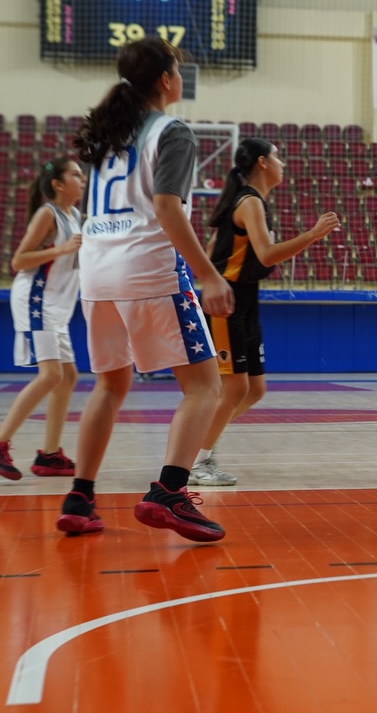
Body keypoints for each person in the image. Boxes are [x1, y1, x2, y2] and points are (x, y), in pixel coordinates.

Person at [55, 37, 235, 541]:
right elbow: (167, 209)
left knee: (110, 386)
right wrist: (207, 273)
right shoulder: (171, 130)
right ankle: (171, 492)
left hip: (96, 270)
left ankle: (80, 496)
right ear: (165, 79)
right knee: (204, 386)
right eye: (178, 68)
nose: (181, 75)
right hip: (148, 268)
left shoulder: (110, 134)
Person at [190, 139, 340, 486]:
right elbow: (268, 254)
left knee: (255, 389)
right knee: (234, 387)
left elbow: (215, 247)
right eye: (277, 156)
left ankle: (201, 442)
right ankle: (197, 459)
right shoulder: (249, 201)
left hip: (246, 299)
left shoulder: (251, 202)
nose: (282, 162)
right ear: (262, 162)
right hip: (227, 301)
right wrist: (314, 234)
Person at [0, 157, 86, 480]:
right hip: (36, 300)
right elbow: (19, 260)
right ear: (58, 185)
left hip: (56, 305)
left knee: (68, 376)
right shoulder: (47, 214)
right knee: (51, 376)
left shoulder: (75, 215)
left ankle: (49, 455)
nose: (83, 179)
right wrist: (59, 251)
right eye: (76, 174)